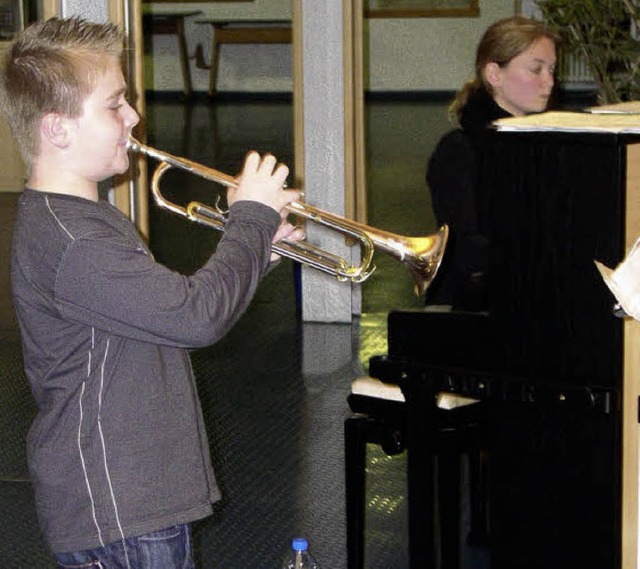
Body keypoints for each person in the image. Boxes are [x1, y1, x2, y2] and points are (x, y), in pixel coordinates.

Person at [0, 16, 302, 568]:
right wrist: (251, 219)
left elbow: (163, 319)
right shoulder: (74, 241)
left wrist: (260, 252)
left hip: (135, 495)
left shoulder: (80, 219)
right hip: (121, 507)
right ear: (58, 129)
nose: (134, 117)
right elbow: (194, 319)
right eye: (115, 104)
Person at [425, 16, 558, 311]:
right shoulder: (458, 150)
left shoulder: (553, 142)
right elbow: (466, 249)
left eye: (551, 70)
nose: (548, 81)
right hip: (474, 304)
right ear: (494, 74)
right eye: (536, 69)